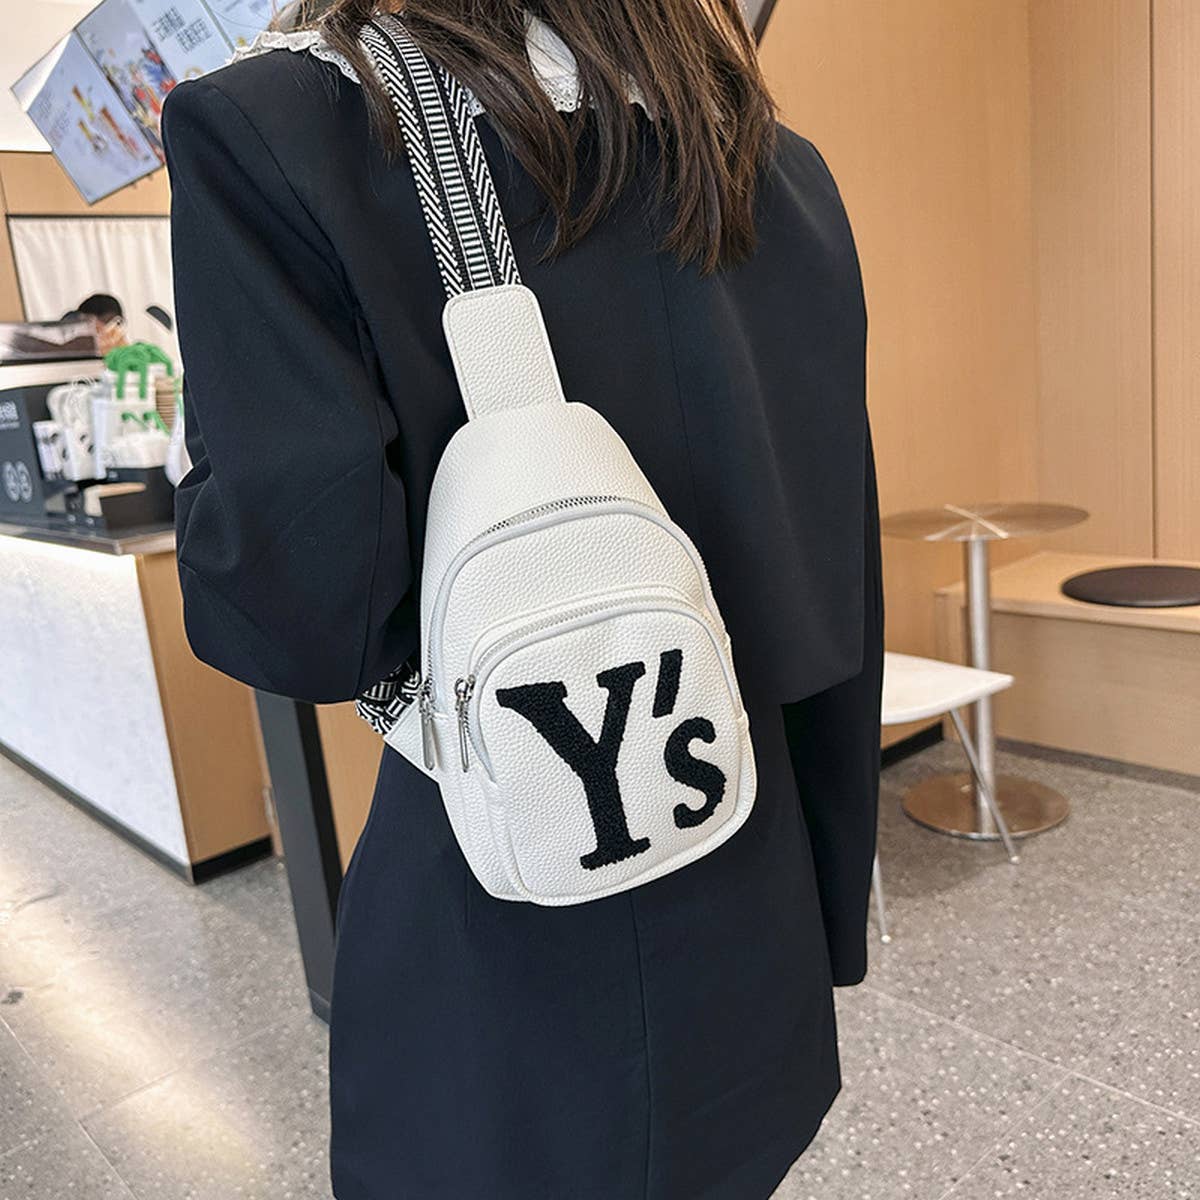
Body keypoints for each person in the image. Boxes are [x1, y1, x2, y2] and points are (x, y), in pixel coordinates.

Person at [161, 2, 882, 1197]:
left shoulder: (289, 125)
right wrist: (829, 903)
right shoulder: (770, 162)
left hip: (497, 923)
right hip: (752, 871)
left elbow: (300, 613)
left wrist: (206, 493)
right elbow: (837, 552)